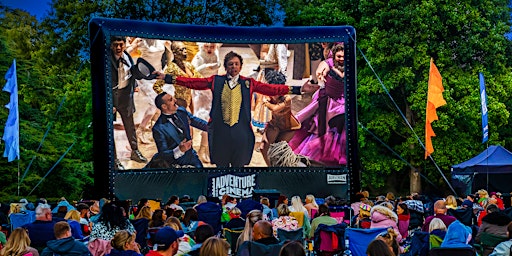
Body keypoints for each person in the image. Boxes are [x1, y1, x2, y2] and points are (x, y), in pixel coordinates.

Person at [155, 51, 317, 167]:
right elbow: (193, 83)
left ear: (240, 67)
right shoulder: (216, 81)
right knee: (221, 166)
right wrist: (167, 78)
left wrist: (298, 89)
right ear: (226, 66)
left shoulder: (248, 83)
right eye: (230, 64)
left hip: (240, 132)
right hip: (220, 131)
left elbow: (272, 90)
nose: (233, 67)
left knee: (239, 166)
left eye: (236, 64)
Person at [289, 43, 346, 166]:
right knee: (317, 128)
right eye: (339, 56)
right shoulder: (330, 60)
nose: (341, 58)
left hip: (341, 104)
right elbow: (324, 64)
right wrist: (321, 69)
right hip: (327, 101)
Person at [110, 36, 148, 169]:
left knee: (130, 125)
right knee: (109, 129)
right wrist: (111, 103)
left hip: (126, 95)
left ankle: (135, 151)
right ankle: (114, 160)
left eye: (121, 44)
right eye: (115, 45)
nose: (118, 48)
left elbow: (130, 71)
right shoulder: (107, 59)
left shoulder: (126, 56)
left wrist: (135, 84)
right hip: (113, 97)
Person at [149, 92, 208, 168]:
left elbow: (196, 122)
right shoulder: (158, 128)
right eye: (171, 100)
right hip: (174, 164)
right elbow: (163, 155)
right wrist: (179, 150)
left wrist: (215, 128)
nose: (175, 100)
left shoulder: (181, 111)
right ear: (164, 106)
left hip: (191, 156)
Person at [191, 42, 222, 164]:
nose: (209, 49)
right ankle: (202, 149)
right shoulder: (199, 56)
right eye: (207, 47)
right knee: (205, 120)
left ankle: (207, 148)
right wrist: (206, 67)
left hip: (212, 91)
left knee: (213, 120)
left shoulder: (216, 54)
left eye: (212, 47)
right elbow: (194, 72)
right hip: (201, 91)